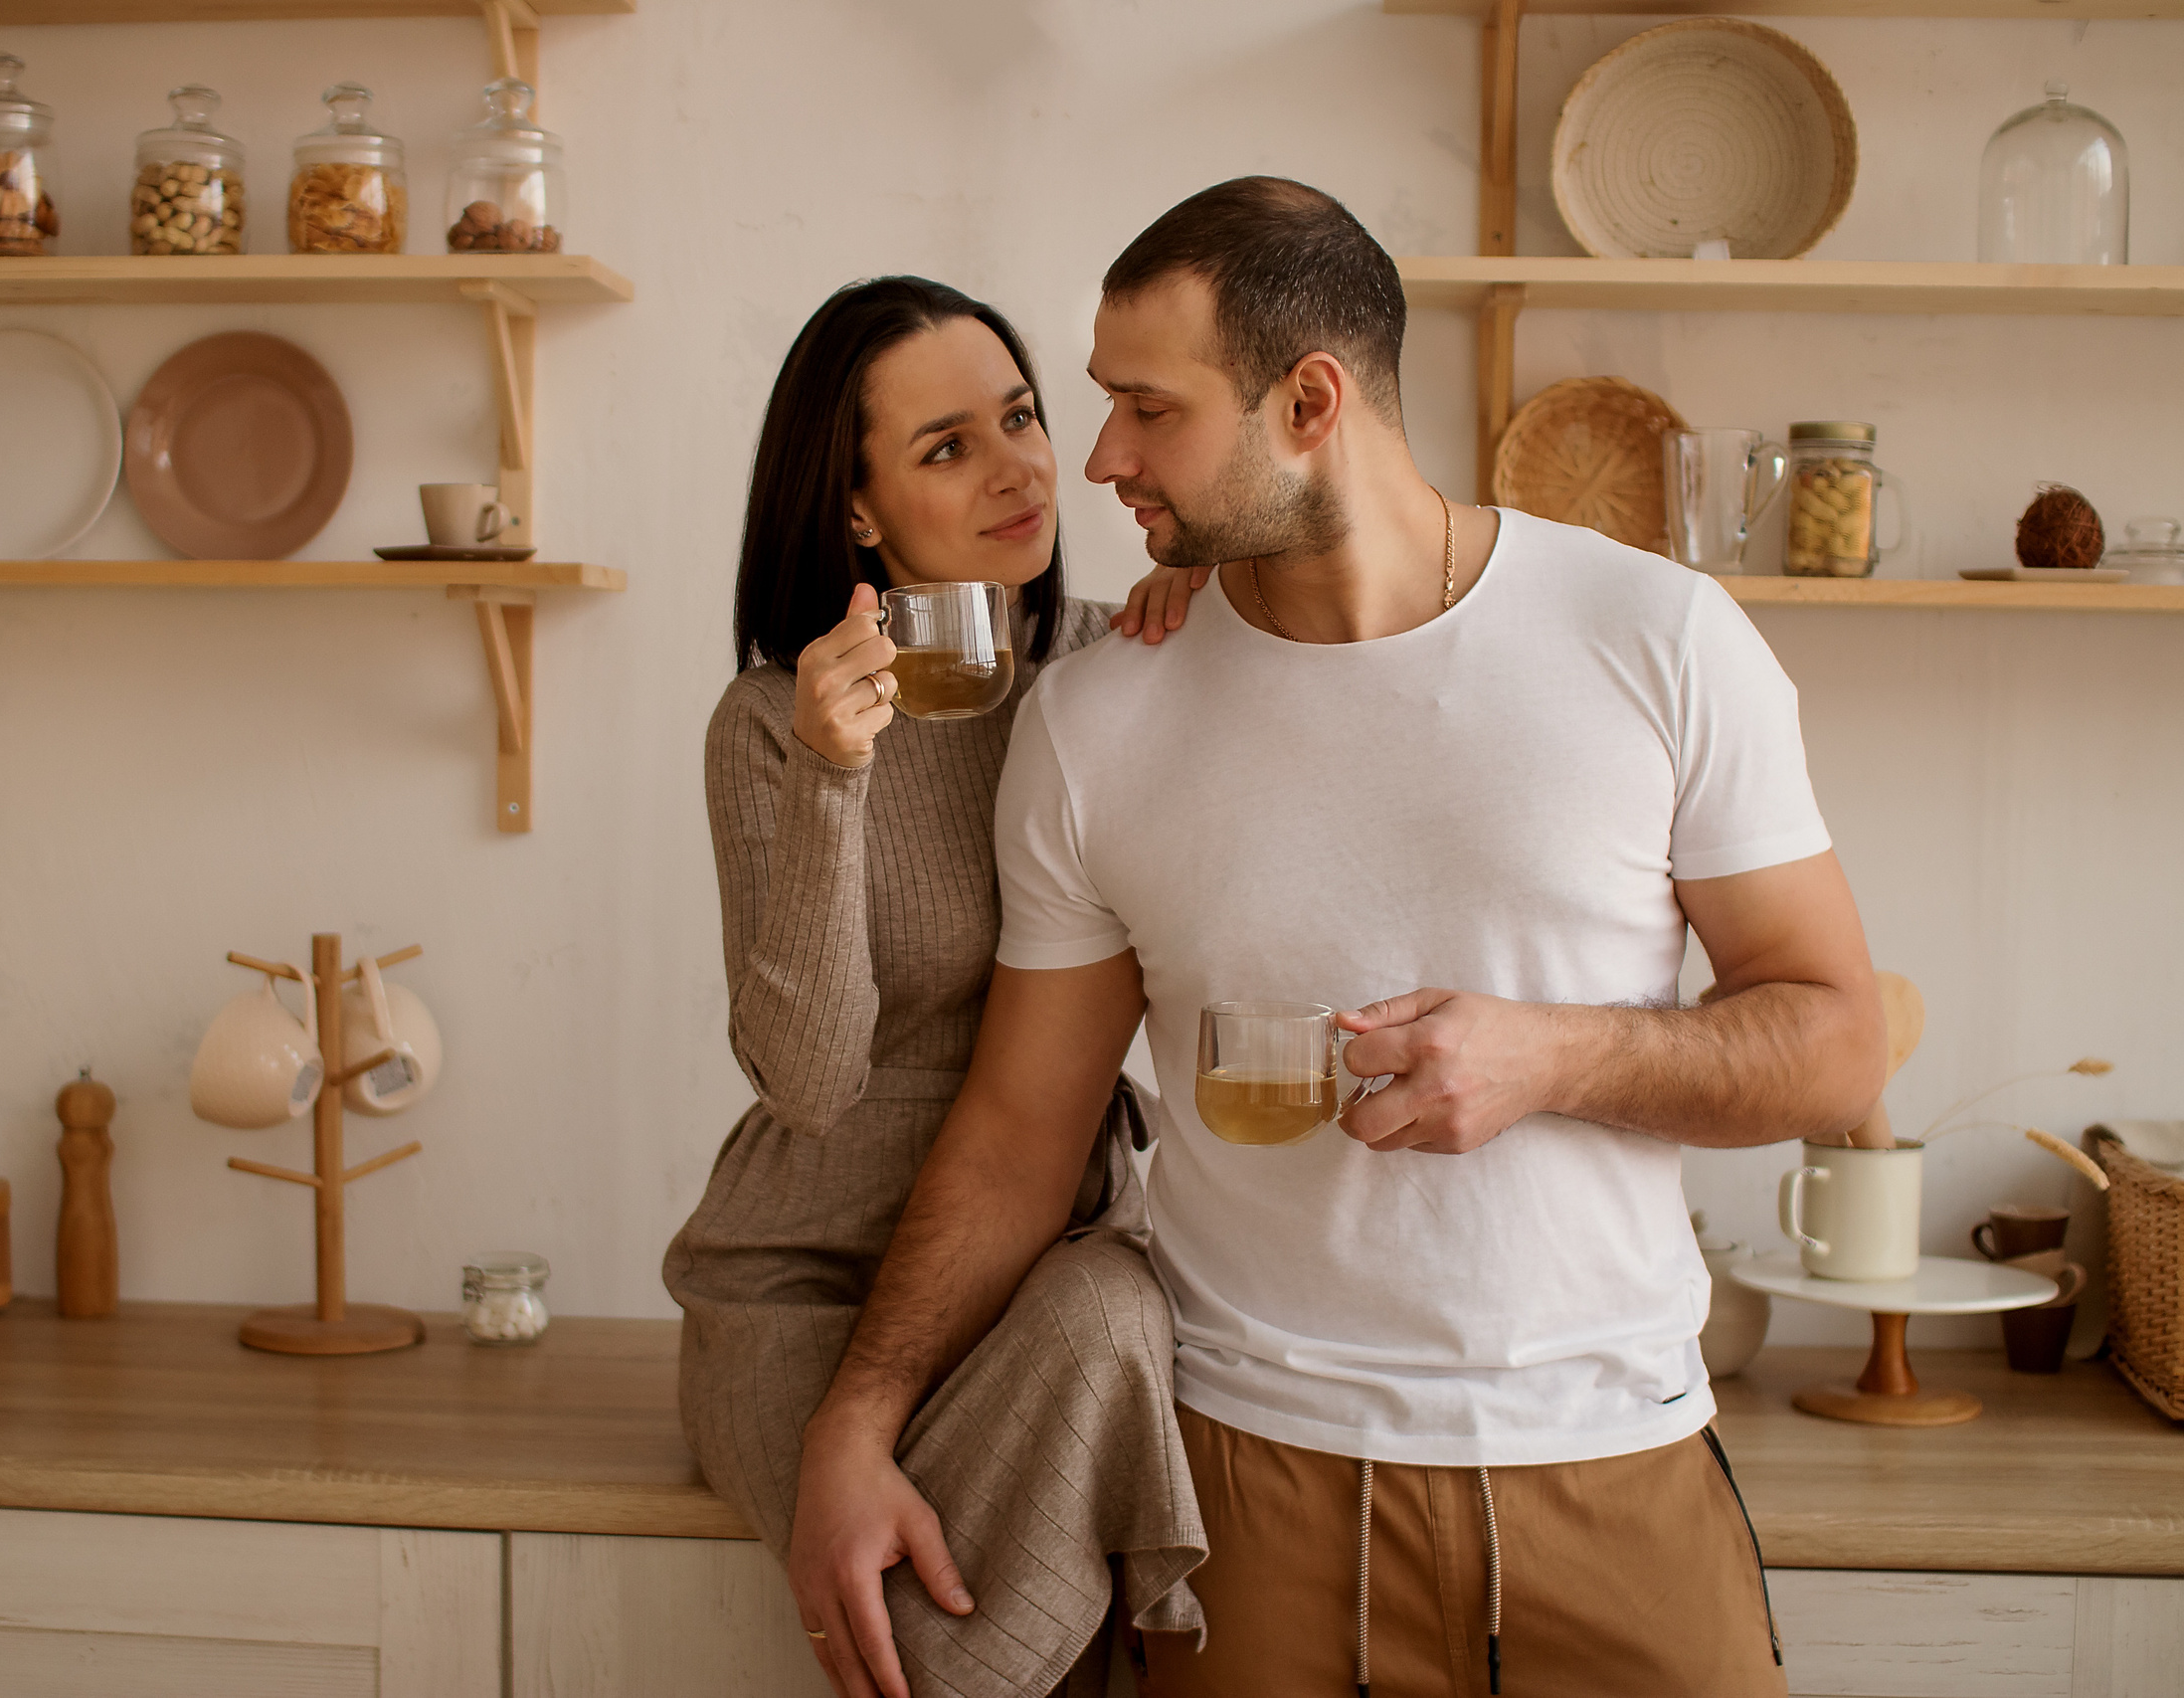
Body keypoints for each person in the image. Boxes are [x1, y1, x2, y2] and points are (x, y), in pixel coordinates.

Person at [785, 180, 1886, 1698]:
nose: (1097, 459)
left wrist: (1553, 1056)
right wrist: (857, 1419)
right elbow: (1018, 1133)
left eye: (1145, 410)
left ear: (1308, 399)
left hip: (1615, 1472)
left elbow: (1832, 1041)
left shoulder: (1660, 638)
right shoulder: (1098, 721)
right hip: (1247, 1501)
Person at [662, 276, 1209, 1698]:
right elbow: (810, 1078)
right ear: (856, 511)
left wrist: (1230, 613)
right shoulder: (773, 722)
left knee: (1115, 1326)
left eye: (1021, 416)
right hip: (809, 1284)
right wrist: (834, 782)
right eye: (947, 446)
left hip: (1040, 1255)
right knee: (909, 1607)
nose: (1021, 465)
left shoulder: (1120, 659)